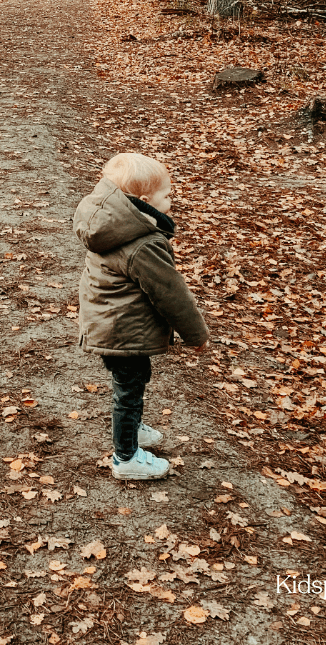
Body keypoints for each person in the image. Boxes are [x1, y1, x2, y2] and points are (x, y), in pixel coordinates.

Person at [73, 152, 209, 480]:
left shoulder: (110, 223)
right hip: (122, 329)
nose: (172, 198)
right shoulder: (142, 243)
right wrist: (196, 334)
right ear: (145, 200)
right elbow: (171, 293)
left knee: (134, 380)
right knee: (129, 389)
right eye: (168, 194)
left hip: (108, 321)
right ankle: (127, 457)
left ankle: (132, 428)